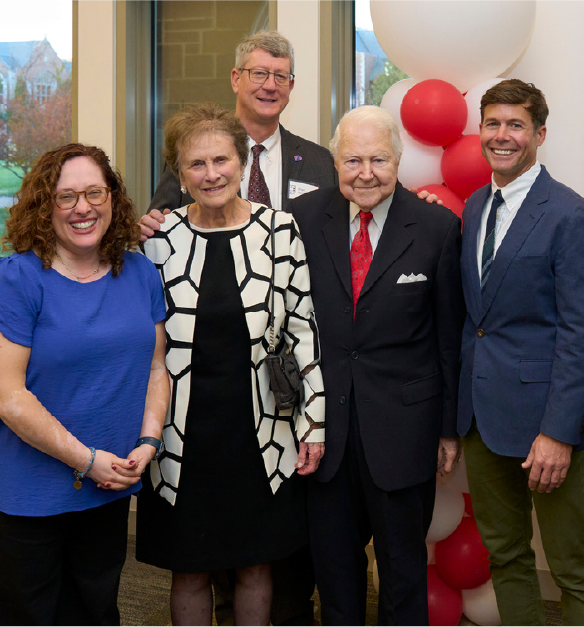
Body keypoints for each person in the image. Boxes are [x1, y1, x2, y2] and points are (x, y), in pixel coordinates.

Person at [0, 143, 169, 626]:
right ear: (43, 204)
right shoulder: (13, 279)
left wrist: (149, 440)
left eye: (95, 192)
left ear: (113, 198)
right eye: (66, 196)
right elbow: (4, 396)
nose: (83, 207)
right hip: (25, 495)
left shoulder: (138, 272)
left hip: (107, 485)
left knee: (94, 613)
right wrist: (86, 460)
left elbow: (157, 368)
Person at [136, 102, 325, 627]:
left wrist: (314, 423)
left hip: (259, 431)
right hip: (181, 435)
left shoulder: (280, 231)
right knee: (188, 569)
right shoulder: (157, 241)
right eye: (196, 164)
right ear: (178, 172)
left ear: (242, 163)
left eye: (221, 160)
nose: (211, 174)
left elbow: (304, 332)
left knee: (254, 563)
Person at [287, 106, 464, 626]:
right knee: (335, 573)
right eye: (352, 159)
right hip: (324, 431)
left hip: (405, 429)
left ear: (399, 160)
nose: (365, 172)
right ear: (335, 161)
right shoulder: (300, 219)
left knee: (403, 573)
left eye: (379, 159)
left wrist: (449, 429)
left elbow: (449, 338)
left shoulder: (435, 225)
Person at [457, 79, 584, 626]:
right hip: (481, 419)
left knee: (574, 565)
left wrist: (558, 433)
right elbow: (478, 318)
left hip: (549, 427)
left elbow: (583, 335)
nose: (502, 135)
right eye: (492, 123)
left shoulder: (573, 217)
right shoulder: (475, 207)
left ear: (540, 133)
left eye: (515, 125)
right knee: (507, 555)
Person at [148, 30, 337, 215]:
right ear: (236, 80)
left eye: (280, 76)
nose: (270, 86)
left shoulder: (322, 163)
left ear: (290, 86)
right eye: (259, 73)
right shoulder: (192, 155)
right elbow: (158, 228)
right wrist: (150, 228)